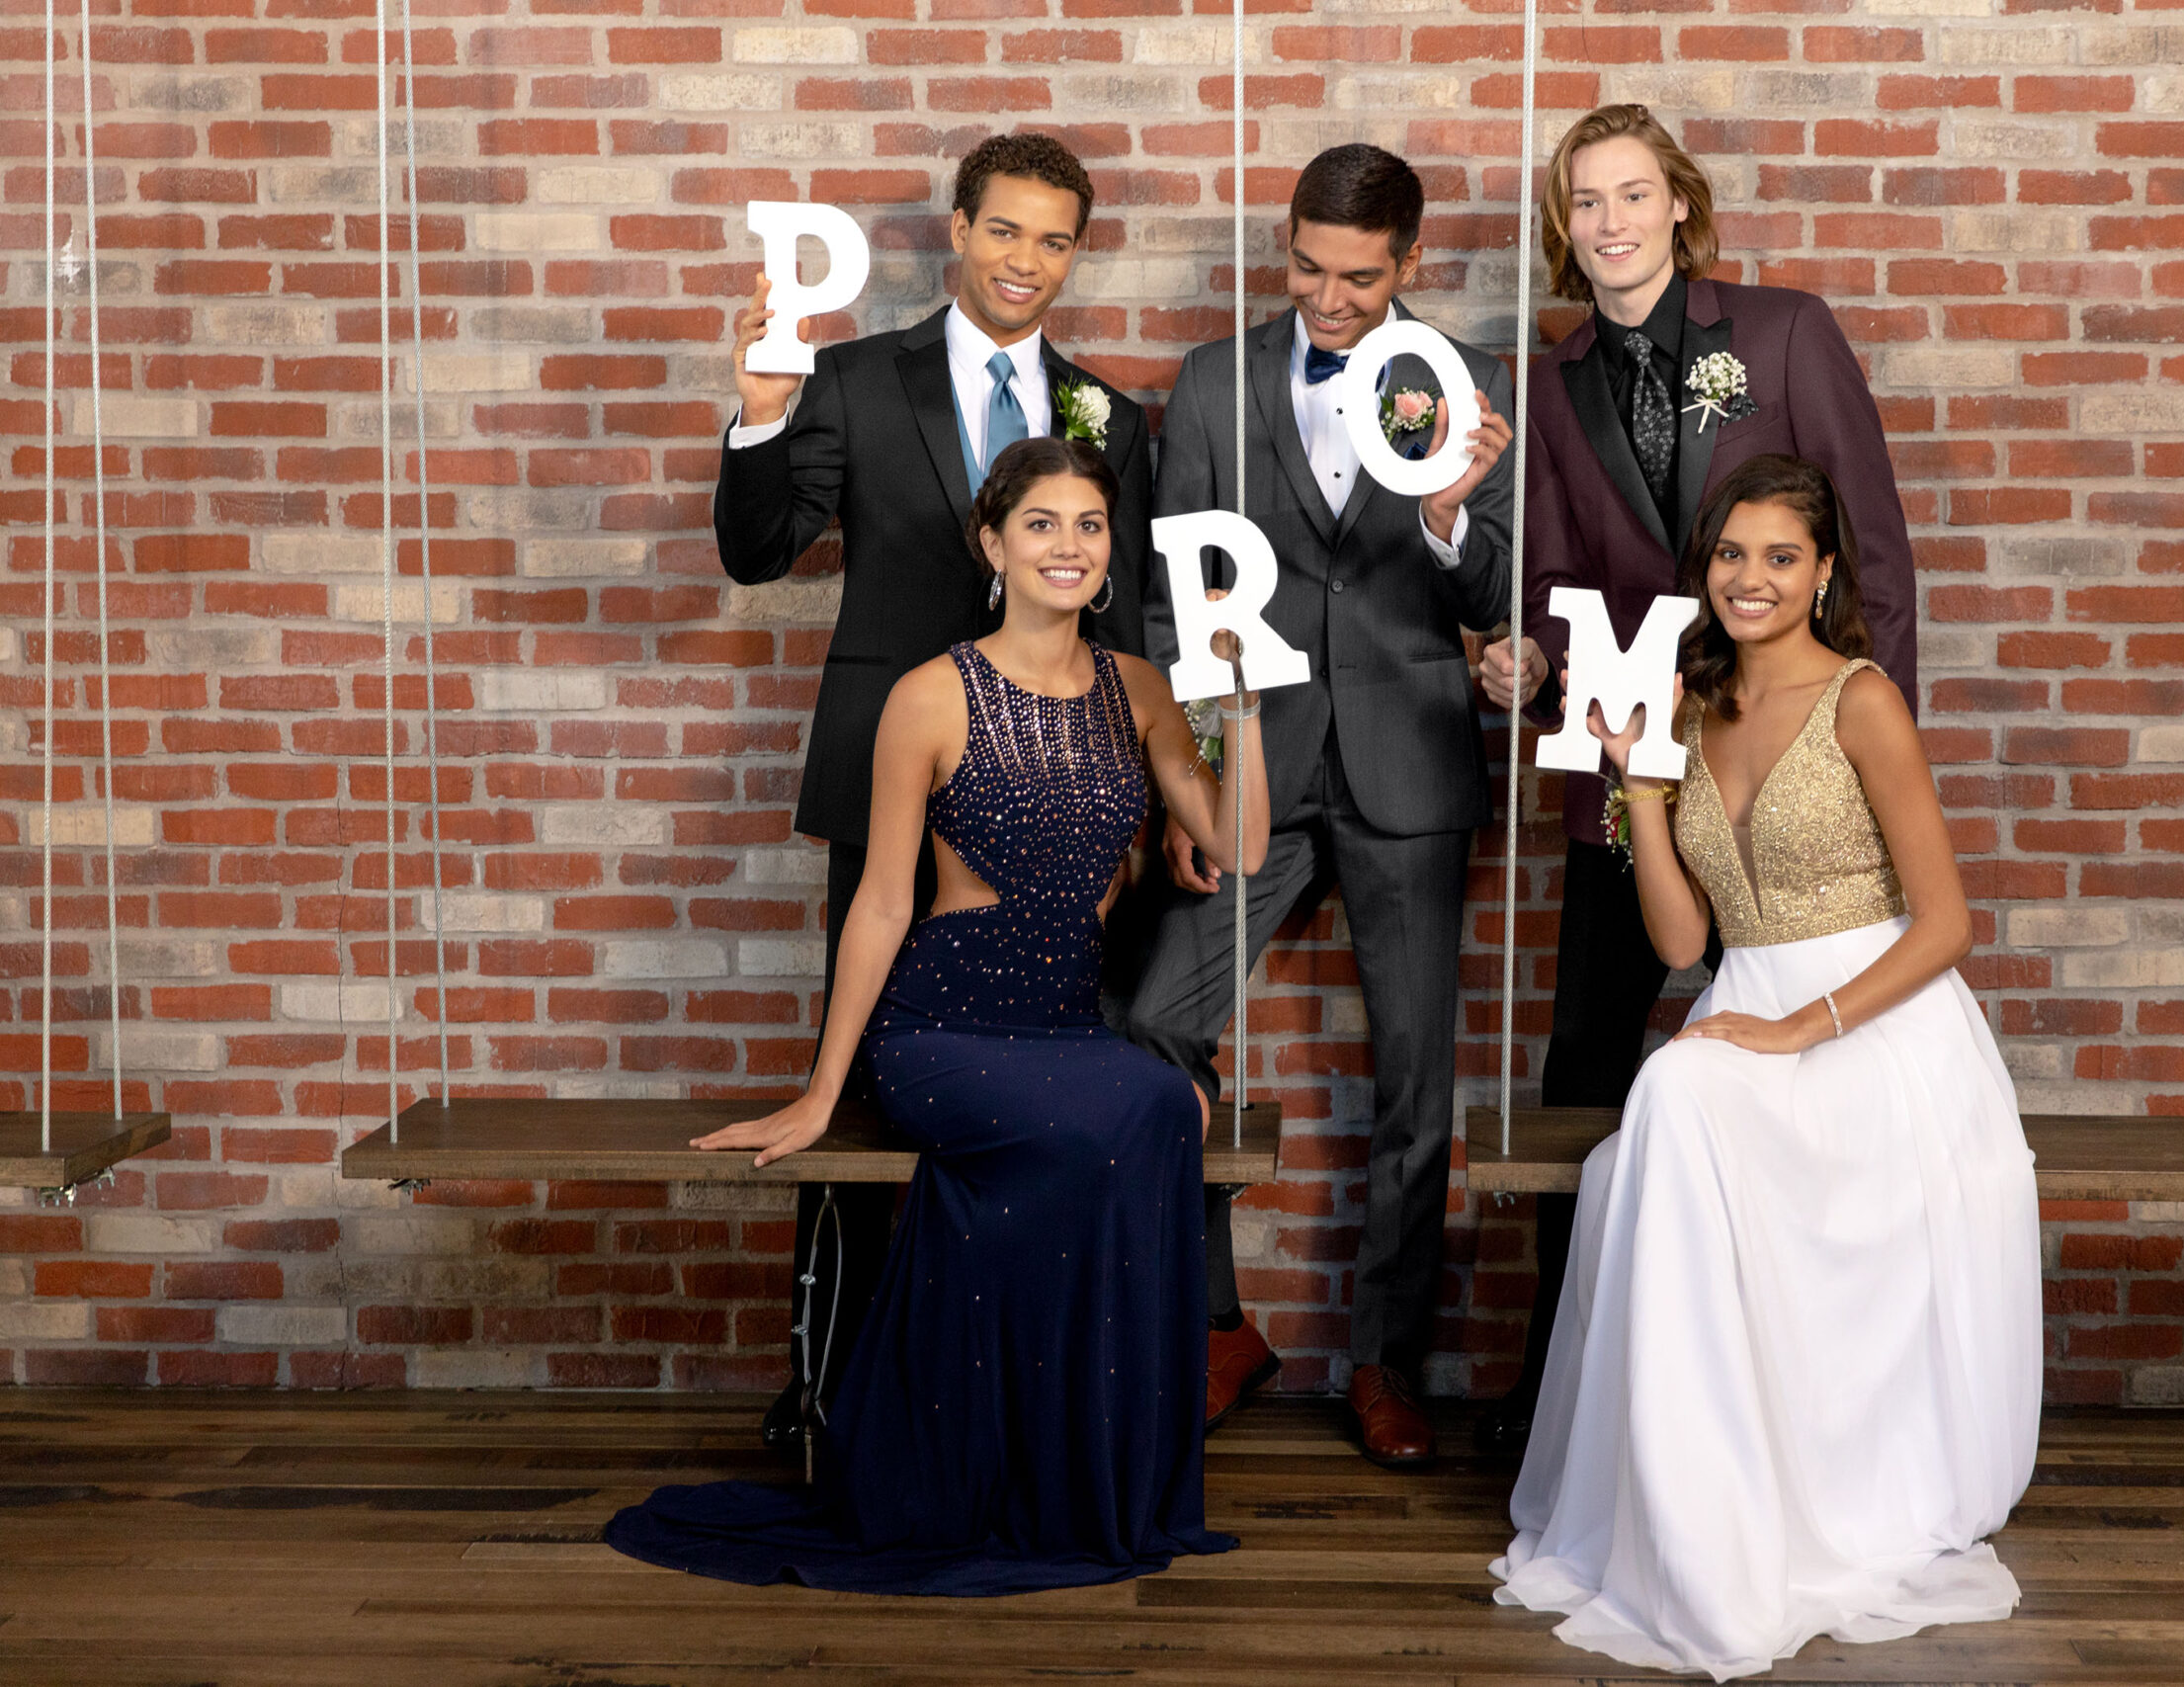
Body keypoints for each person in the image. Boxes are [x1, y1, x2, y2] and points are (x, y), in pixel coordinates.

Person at [607, 438, 1259, 1594]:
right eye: (1044, 524)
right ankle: (995, 1463)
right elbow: (879, 902)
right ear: (993, 544)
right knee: (1137, 1111)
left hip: (1060, 1028)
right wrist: (823, 1089)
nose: (1068, 545)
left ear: (1110, 553)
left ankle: (1074, 1472)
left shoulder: (1142, 691)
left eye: (1089, 526)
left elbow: (1239, 843)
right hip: (941, 1032)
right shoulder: (930, 694)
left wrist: (1241, 702)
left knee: (1157, 1103)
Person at [1490, 455, 2040, 1676]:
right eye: (1730, 555)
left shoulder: (1862, 702)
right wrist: (1637, 789)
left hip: (1875, 1036)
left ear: (1824, 572)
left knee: (1672, 1093)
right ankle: (1693, 1522)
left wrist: (1797, 1031)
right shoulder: (1690, 710)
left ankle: (1742, 1523)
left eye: (1779, 558)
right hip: (1740, 1006)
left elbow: (1947, 925)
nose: (1749, 579)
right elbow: (1687, 943)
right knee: (1666, 1118)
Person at [1472, 104, 1922, 1453]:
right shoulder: (1550, 384)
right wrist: (1524, 664)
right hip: (1633, 771)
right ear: (1567, 227)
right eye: (1583, 203)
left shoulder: (1784, 333)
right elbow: (1549, 580)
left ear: (1679, 203)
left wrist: (1861, 756)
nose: (1607, 223)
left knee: (1802, 1068)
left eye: (1629, 195)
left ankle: (1812, 1396)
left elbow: (1878, 559)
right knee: (1587, 1075)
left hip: (1793, 775)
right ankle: (1566, 1389)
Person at [712, 132, 1154, 1452]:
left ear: (1077, 250)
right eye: (1005, 229)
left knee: (1037, 1089)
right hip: (893, 774)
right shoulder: (846, 378)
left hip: (1060, 805)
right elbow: (756, 550)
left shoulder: (1107, 415)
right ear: (957, 230)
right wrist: (759, 412)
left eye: (1055, 238)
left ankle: (1012, 1389)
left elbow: (1127, 617)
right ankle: (826, 1392)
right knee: (849, 1096)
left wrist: (1161, 797)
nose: (1028, 260)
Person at [1121, 143, 1516, 1468]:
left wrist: (1458, 515)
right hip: (1257, 768)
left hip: (1409, 766)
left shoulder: (1464, 391)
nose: (1329, 296)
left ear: (1410, 264)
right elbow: (1177, 604)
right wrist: (1189, 772)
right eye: (1307, 266)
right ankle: (1222, 1324)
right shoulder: (1214, 382)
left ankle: (1389, 1356)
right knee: (1152, 1027)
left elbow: (1498, 601)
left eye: (1360, 274)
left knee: (1414, 1084)